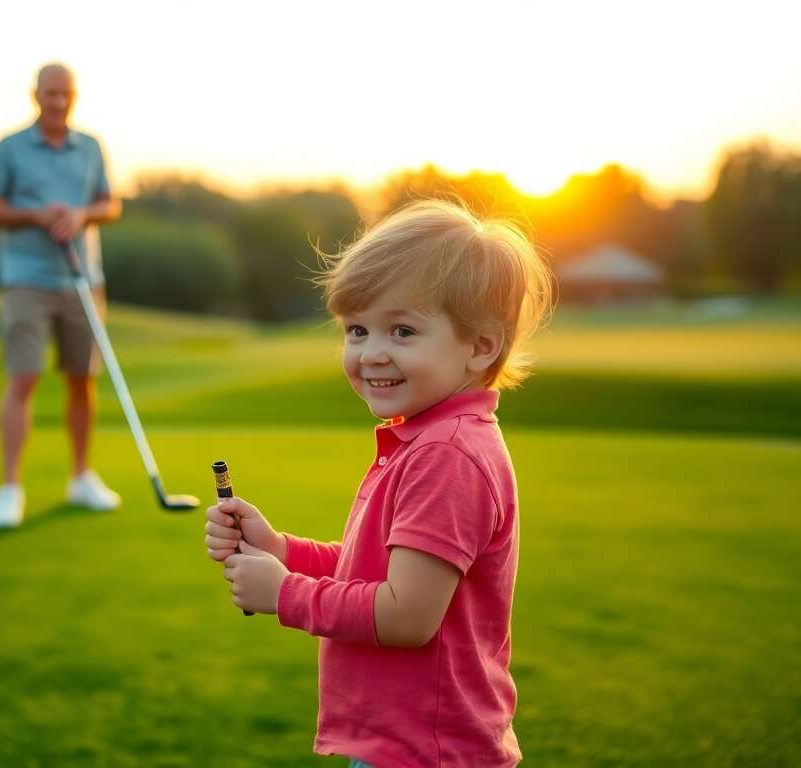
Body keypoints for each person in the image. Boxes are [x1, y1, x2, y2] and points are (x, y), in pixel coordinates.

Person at [204, 200, 551, 767]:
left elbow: (406, 615)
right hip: (410, 744)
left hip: (426, 751)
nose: (371, 353)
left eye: (404, 330)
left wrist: (282, 592)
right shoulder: (428, 439)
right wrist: (281, 551)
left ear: (481, 346)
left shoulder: (446, 455)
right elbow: (387, 574)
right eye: (358, 329)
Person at [0, 63, 123, 528]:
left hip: (82, 279)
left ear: (73, 96)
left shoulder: (91, 146)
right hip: (27, 280)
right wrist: (37, 216)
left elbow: (110, 204)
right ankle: (10, 488)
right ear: (35, 95)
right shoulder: (11, 147)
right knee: (24, 378)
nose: (58, 102)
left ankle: (81, 477)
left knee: (82, 379)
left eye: (65, 94)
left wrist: (80, 215)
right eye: (50, 93)